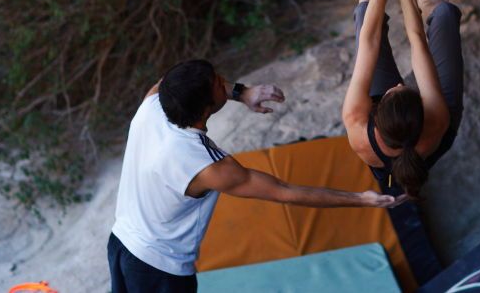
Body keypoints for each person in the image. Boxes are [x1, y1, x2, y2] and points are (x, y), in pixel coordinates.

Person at [108, 59, 404, 293]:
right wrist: (362, 198)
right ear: (206, 106)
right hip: (158, 271)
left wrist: (242, 92)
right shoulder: (206, 166)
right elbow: (284, 191)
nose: (223, 81)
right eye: (218, 83)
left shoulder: (154, 104)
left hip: (121, 244)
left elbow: (172, 78)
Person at [342, 0, 464, 199]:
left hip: (398, 136)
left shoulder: (356, 121)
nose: (397, 83)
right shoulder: (436, 118)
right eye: (403, 87)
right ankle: (427, 1)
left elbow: (369, 40)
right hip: (438, 132)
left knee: (363, 17)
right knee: (444, 14)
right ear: (423, 105)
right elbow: (416, 38)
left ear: (376, 109)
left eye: (392, 91)